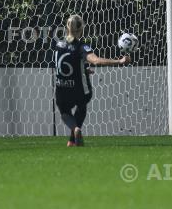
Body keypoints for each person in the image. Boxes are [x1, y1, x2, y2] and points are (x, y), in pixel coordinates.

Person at [54, 15, 131, 147]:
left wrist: (83, 69)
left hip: (61, 89)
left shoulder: (58, 44)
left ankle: (73, 133)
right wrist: (119, 61)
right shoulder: (81, 46)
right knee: (82, 104)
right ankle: (75, 133)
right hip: (78, 90)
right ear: (82, 29)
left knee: (65, 112)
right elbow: (95, 60)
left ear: (67, 27)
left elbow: (65, 63)